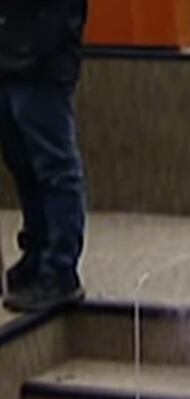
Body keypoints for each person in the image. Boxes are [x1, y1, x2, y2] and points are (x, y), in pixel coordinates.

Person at [0, 0, 89, 312]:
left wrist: (33, 50)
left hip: (42, 59)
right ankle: (38, 251)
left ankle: (60, 271)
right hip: (9, 49)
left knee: (54, 168)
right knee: (22, 163)